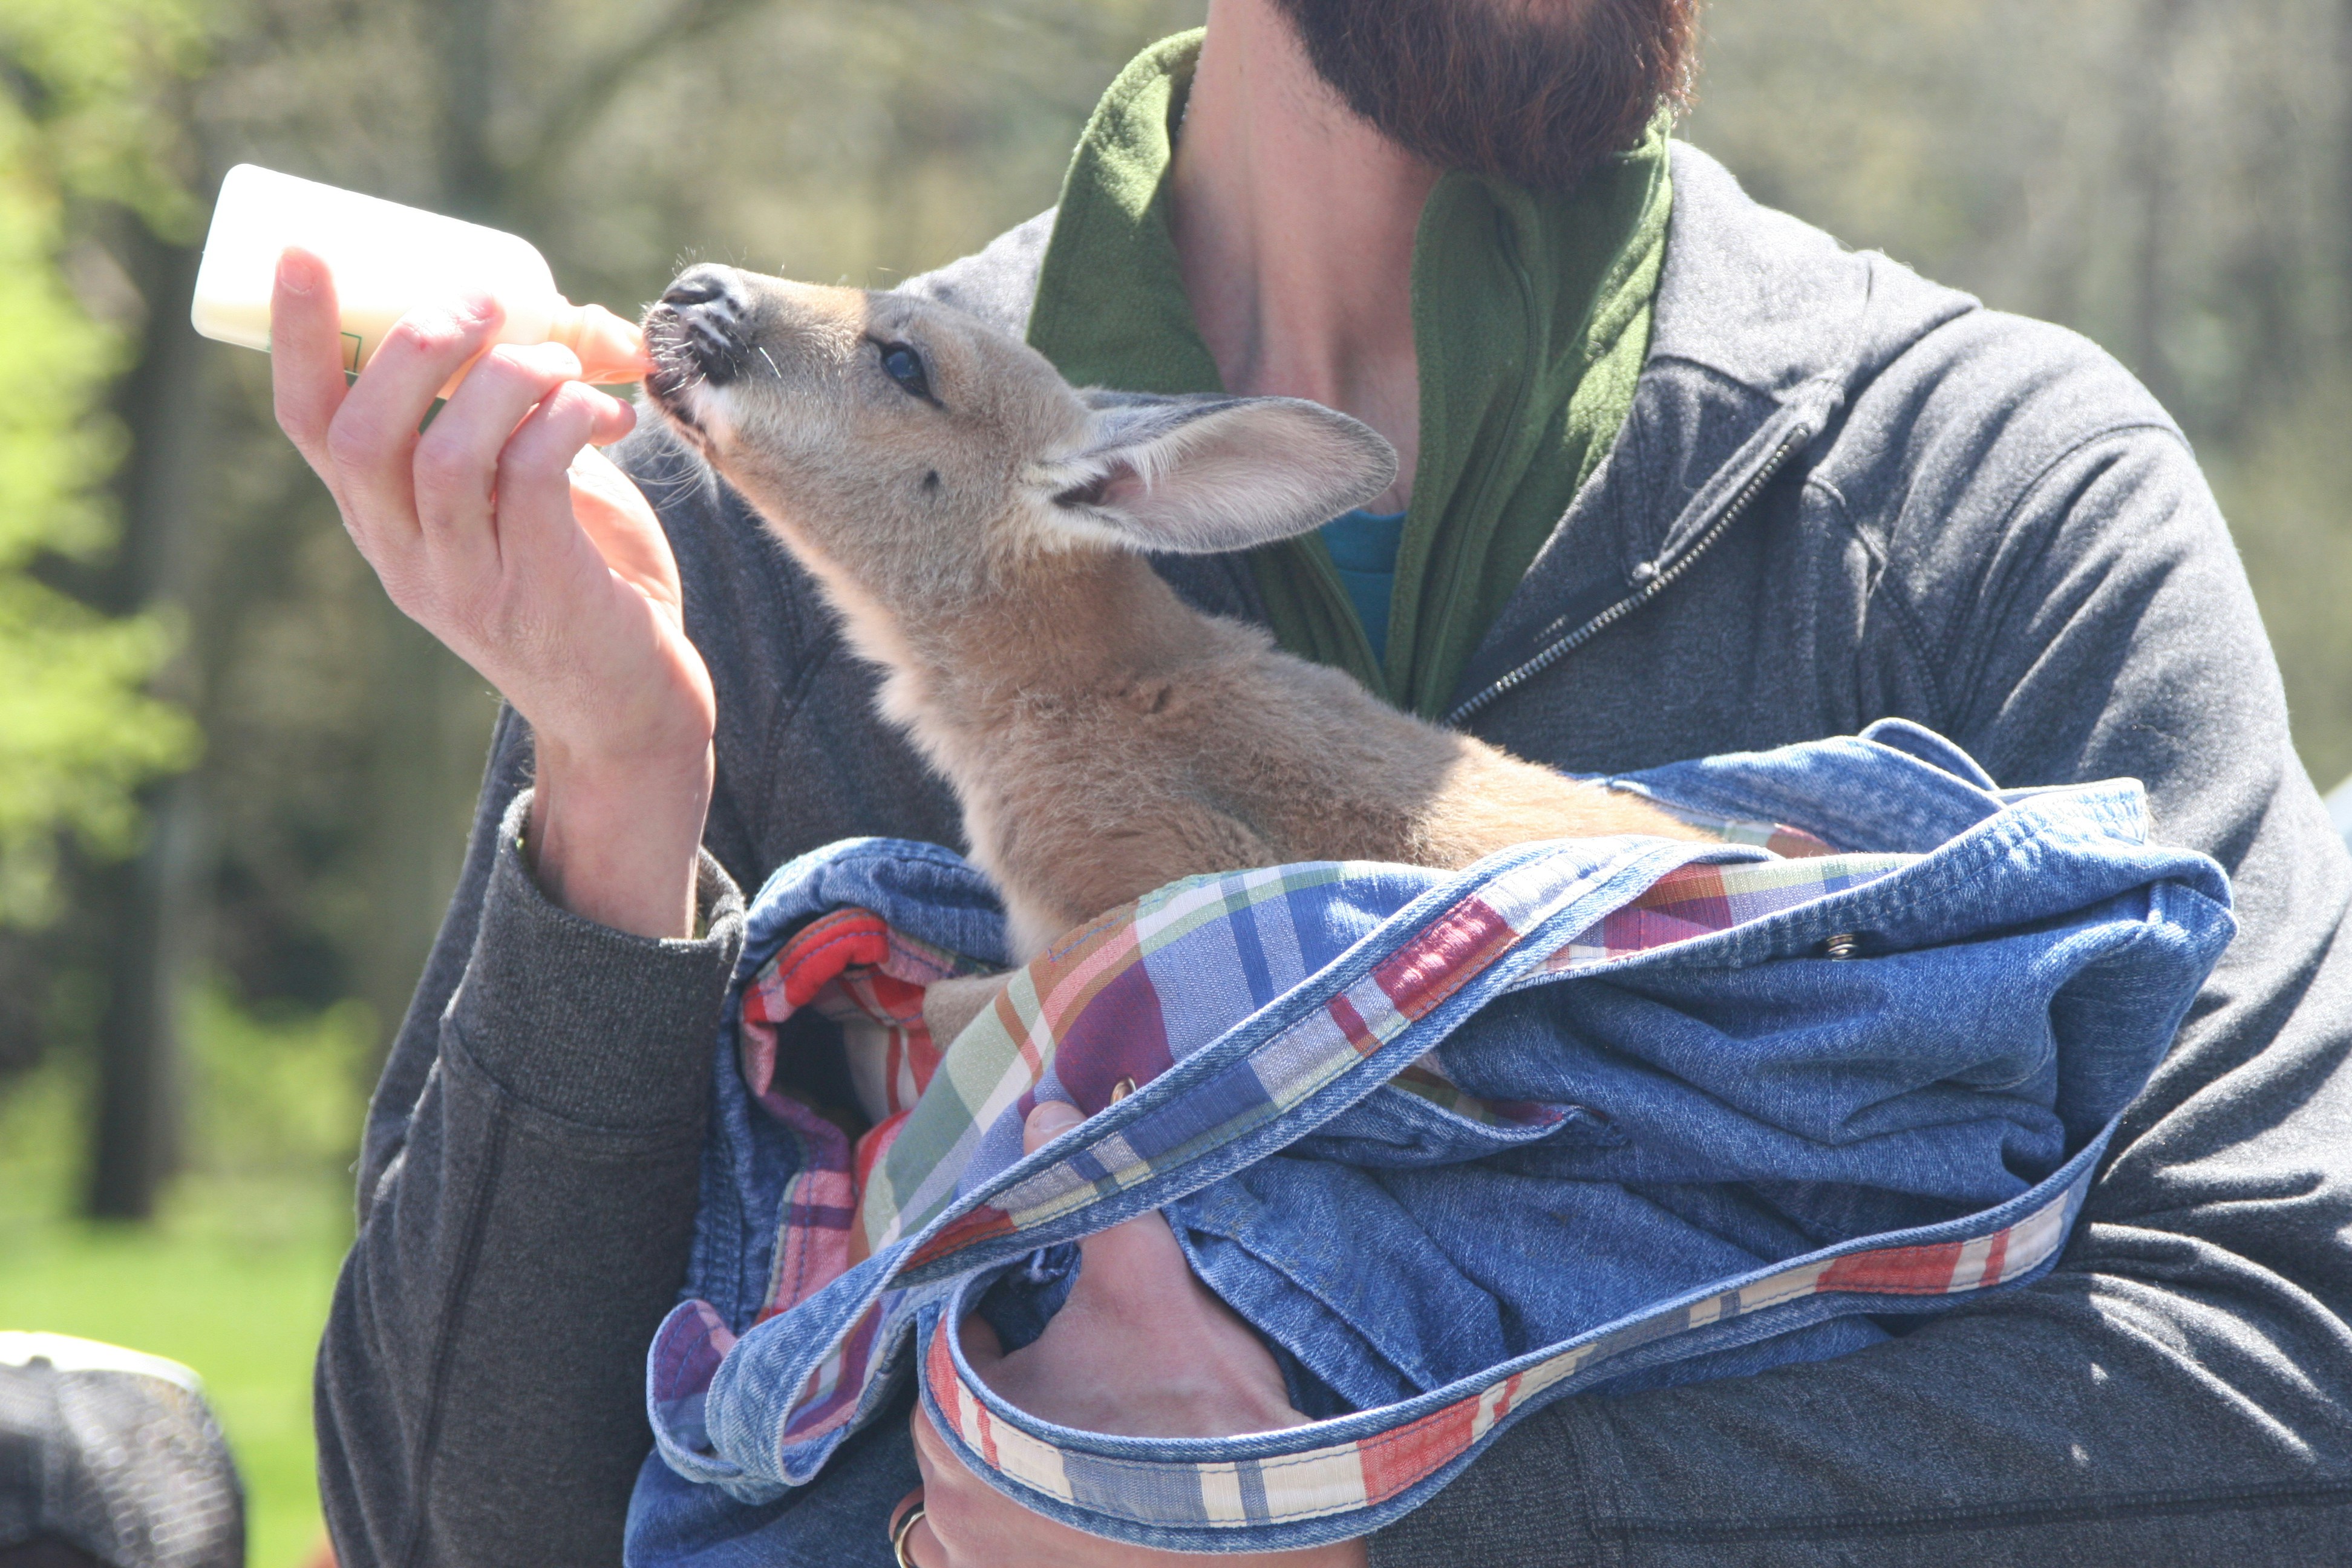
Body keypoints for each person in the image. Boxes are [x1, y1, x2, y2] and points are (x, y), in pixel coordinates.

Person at [275, 0, 2352, 1563]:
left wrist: (1328, 1509)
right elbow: (453, 1526)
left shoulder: (1978, 497)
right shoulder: (761, 516)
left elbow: (2288, 1388)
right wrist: (620, 800)